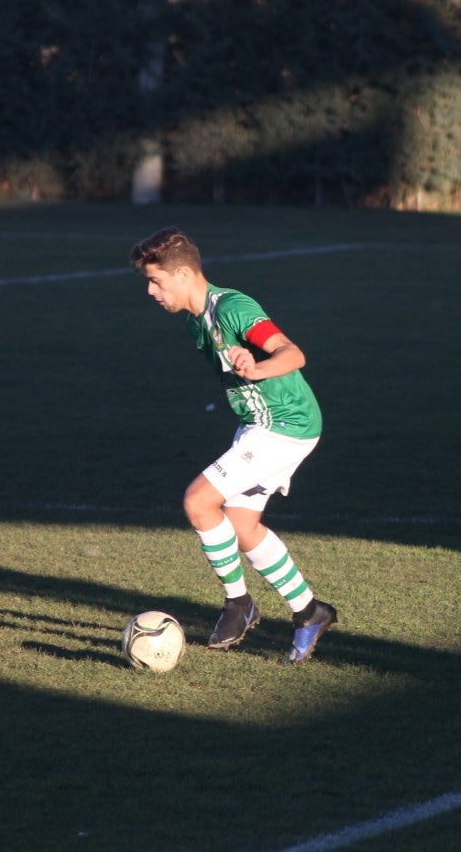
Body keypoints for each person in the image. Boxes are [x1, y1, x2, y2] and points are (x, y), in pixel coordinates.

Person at [130, 226, 337, 662]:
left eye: (156, 281)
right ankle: (310, 611)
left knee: (199, 502)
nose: (150, 291)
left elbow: (293, 353)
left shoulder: (233, 308)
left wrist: (258, 368)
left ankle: (239, 604)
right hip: (259, 424)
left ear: (182, 274)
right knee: (242, 527)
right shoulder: (196, 320)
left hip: (285, 425)